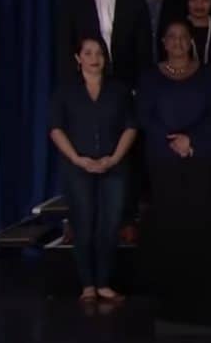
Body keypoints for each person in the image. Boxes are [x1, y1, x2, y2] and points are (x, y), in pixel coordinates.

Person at [49, 38, 137, 304]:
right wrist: (77, 159)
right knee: (84, 224)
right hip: (79, 168)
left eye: (99, 53)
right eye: (88, 53)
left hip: (115, 166)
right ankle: (87, 284)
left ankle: (103, 282)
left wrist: (113, 159)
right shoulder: (65, 91)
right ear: (78, 58)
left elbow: (131, 127)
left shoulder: (119, 90)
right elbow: (56, 129)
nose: (94, 58)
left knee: (109, 226)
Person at [137, 20, 211, 209]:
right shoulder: (149, 77)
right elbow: (144, 115)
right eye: (172, 36)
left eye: (183, 36)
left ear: (191, 40)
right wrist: (173, 141)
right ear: (163, 42)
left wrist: (191, 139)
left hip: (201, 154)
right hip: (162, 156)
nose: (178, 41)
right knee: (168, 218)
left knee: (201, 216)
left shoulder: (208, 75)